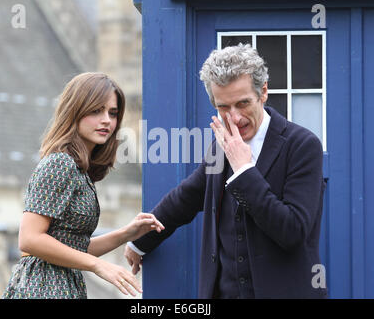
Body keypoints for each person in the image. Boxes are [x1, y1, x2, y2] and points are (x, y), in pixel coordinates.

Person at [124, 44, 327, 299]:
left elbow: (292, 231)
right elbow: (186, 198)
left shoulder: (302, 145)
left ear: (263, 92)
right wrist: (139, 242)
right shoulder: (220, 147)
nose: (234, 118)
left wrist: (243, 170)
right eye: (223, 107)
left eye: (243, 103)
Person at [2, 72, 164, 299]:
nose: (107, 120)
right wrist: (99, 266)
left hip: (65, 286)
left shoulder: (80, 171)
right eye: (96, 110)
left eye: (113, 113)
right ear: (75, 111)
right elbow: (29, 239)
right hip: (41, 289)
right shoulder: (59, 163)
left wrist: (126, 234)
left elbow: (71, 248)